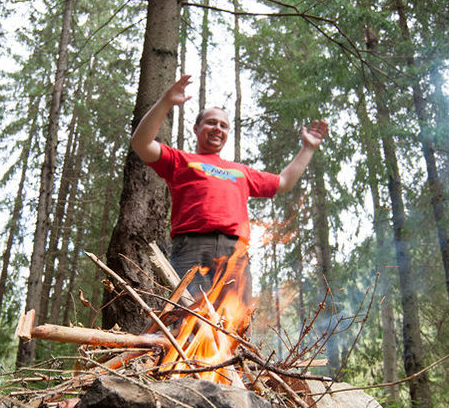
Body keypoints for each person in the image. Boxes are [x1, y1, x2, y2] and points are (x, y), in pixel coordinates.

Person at [131, 74, 328, 301]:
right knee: (185, 318)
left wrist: (308, 149)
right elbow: (141, 143)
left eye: (223, 125)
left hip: (235, 253)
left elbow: (283, 183)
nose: (217, 128)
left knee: (234, 327)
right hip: (192, 248)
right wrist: (166, 102)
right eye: (211, 123)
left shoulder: (241, 171)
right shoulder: (180, 159)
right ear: (196, 128)